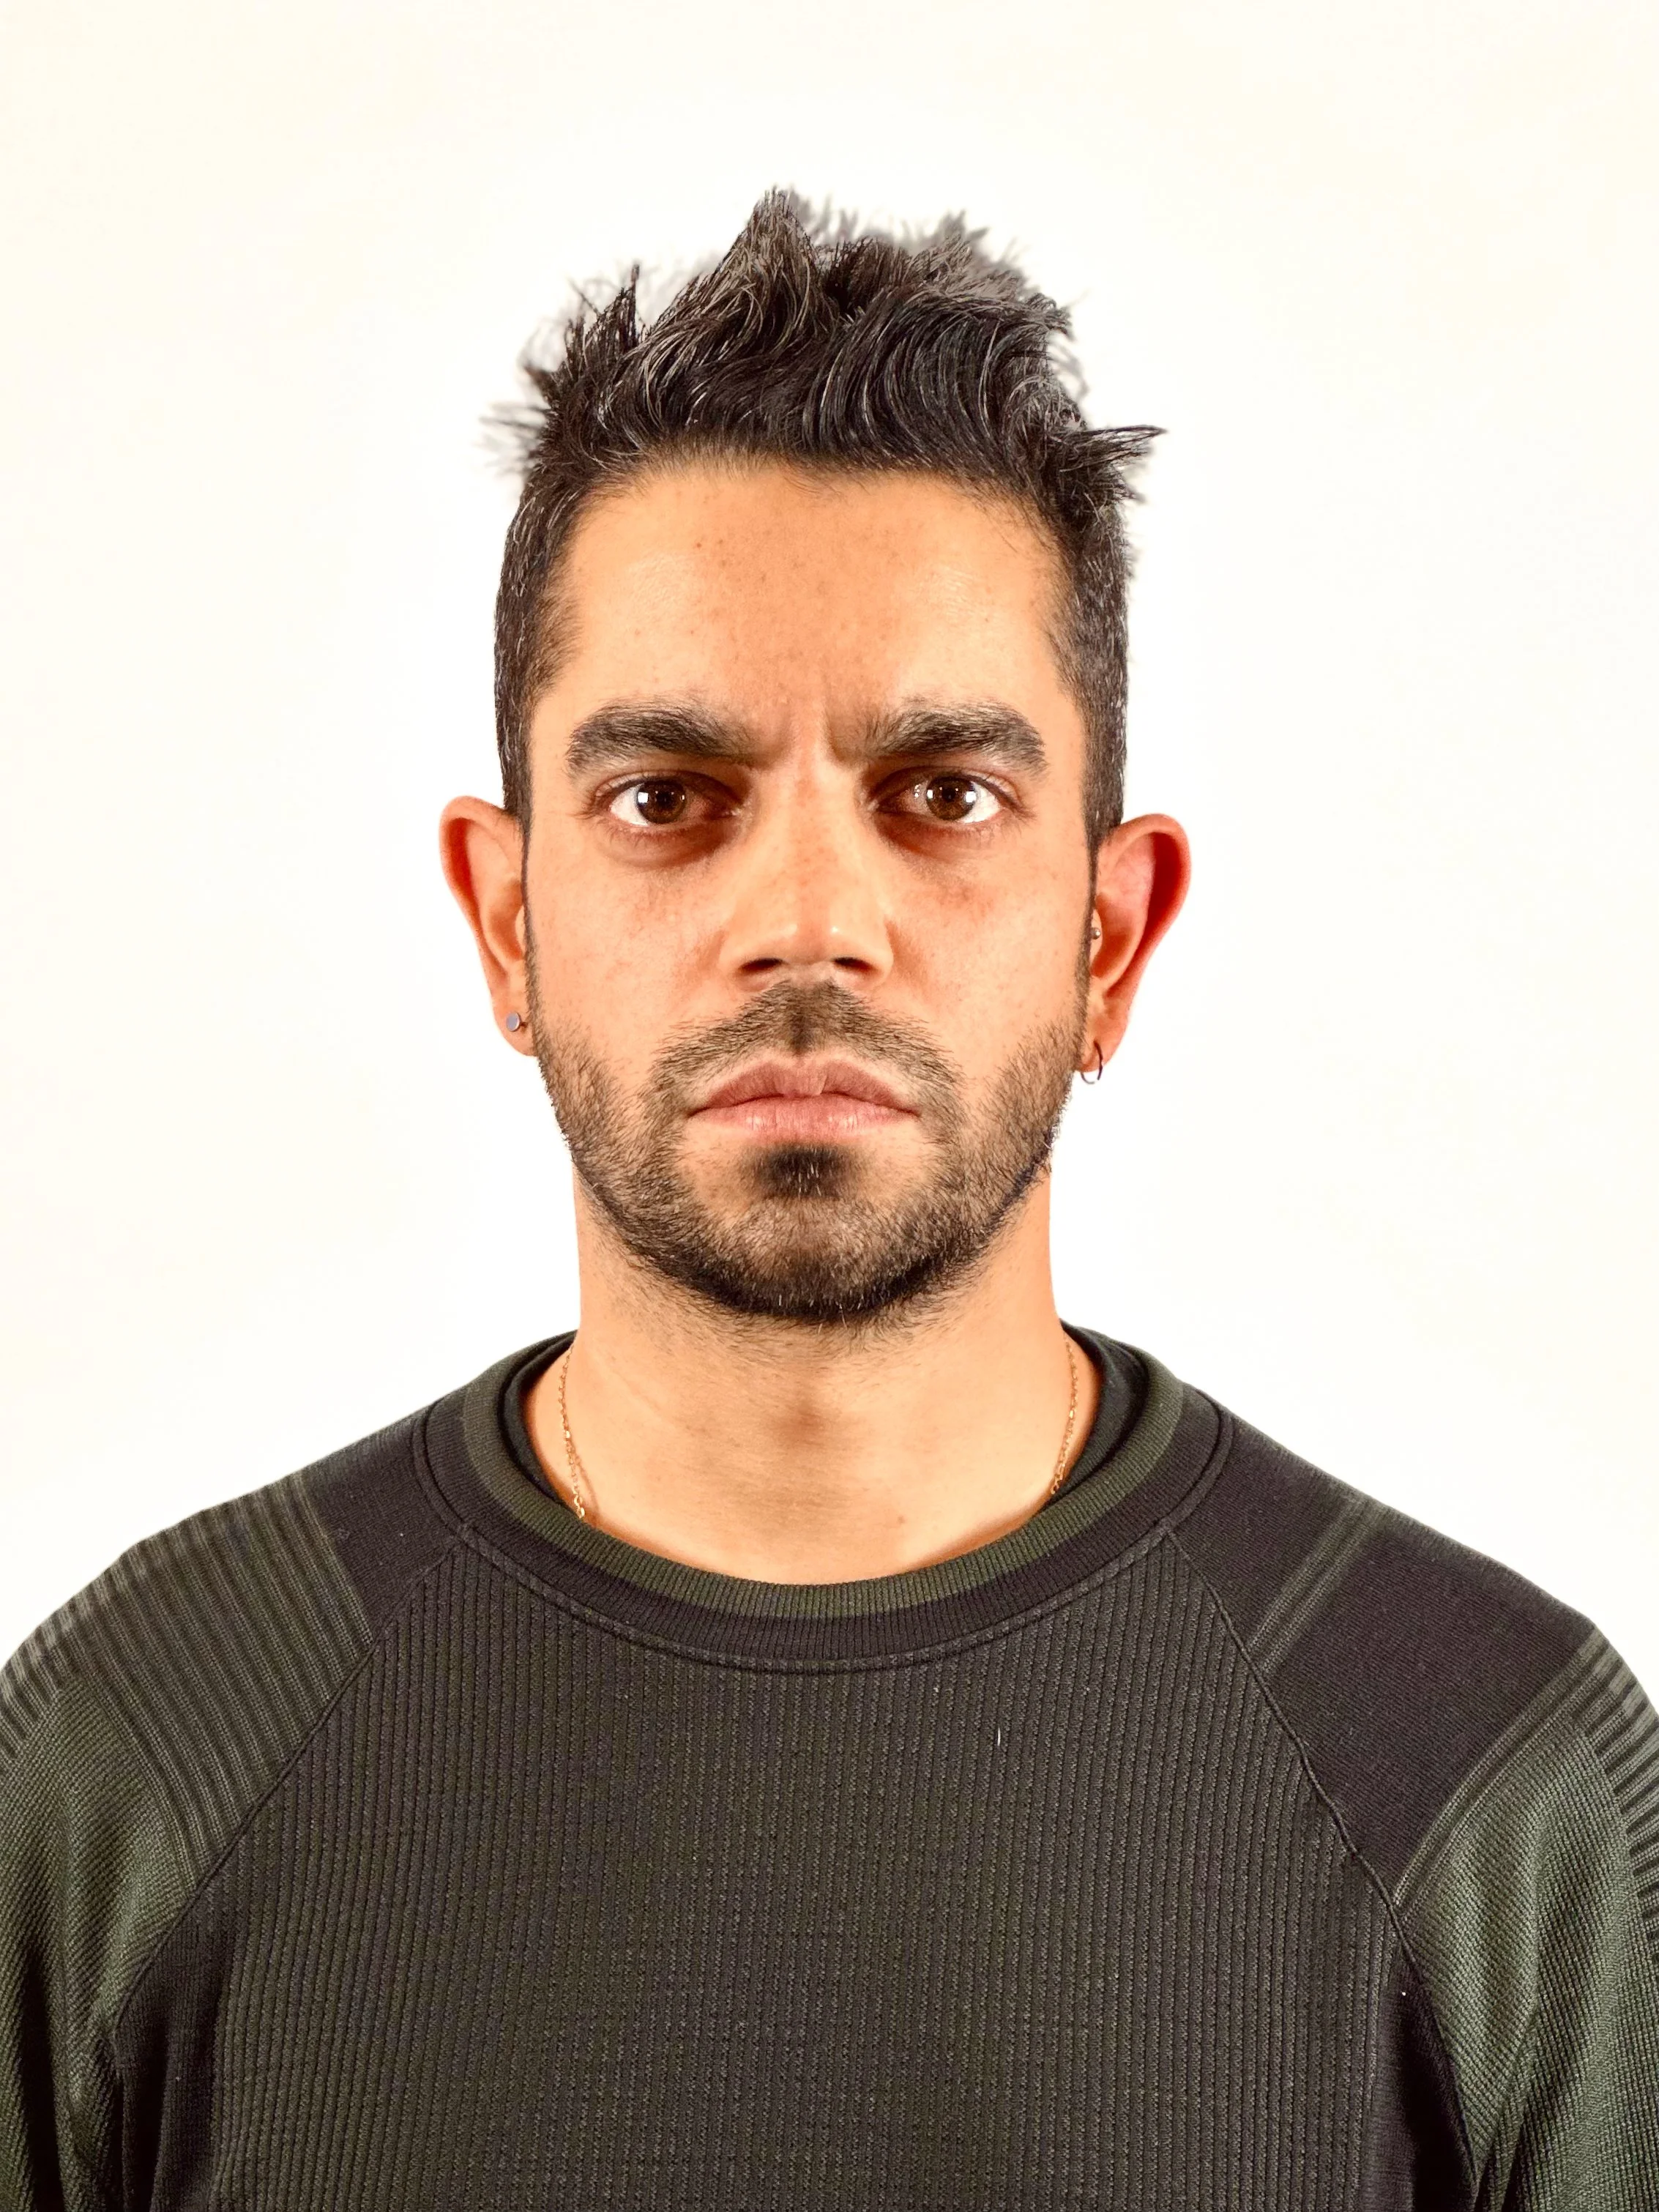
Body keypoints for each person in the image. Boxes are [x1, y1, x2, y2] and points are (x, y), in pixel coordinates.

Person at [2, 190, 1655, 2212]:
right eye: (664, 797)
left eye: (943, 795)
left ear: (1111, 937)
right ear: (508, 919)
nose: (805, 917)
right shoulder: (136, 1762)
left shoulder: (1484, 1786)